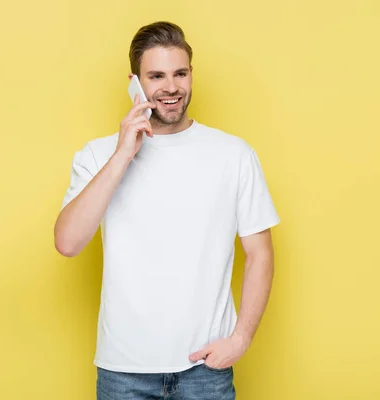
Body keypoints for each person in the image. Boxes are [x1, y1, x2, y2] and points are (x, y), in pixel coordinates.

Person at [54, 21, 280, 400]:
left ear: (192, 74)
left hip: (204, 371)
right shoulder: (98, 155)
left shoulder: (234, 154)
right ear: (135, 82)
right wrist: (124, 154)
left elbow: (260, 252)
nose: (171, 87)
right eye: (156, 75)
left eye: (180, 73)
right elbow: (68, 242)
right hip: (122, 373)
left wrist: (240, 339)